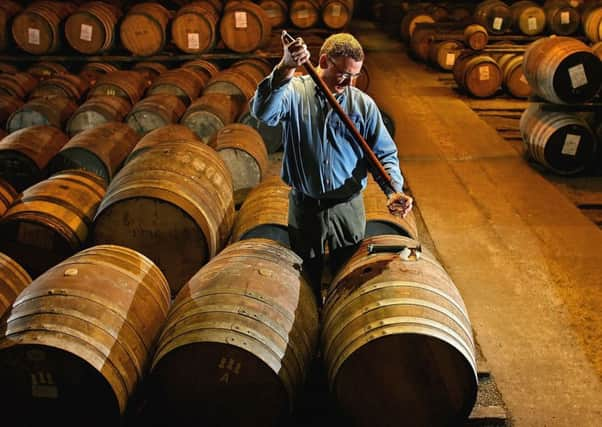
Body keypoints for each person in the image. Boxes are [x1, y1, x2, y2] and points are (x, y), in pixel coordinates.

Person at [250, 32, 413, 305]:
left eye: (355, 76)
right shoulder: (294, 93)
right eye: (343, 74)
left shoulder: (362, 104)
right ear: (324, 60)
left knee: (348, 276)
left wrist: (394, 190)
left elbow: (383, 154)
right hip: (306, 207)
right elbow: (264, 112)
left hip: (347, 208)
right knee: (303, 278)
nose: (349, 82)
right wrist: (286, 66)